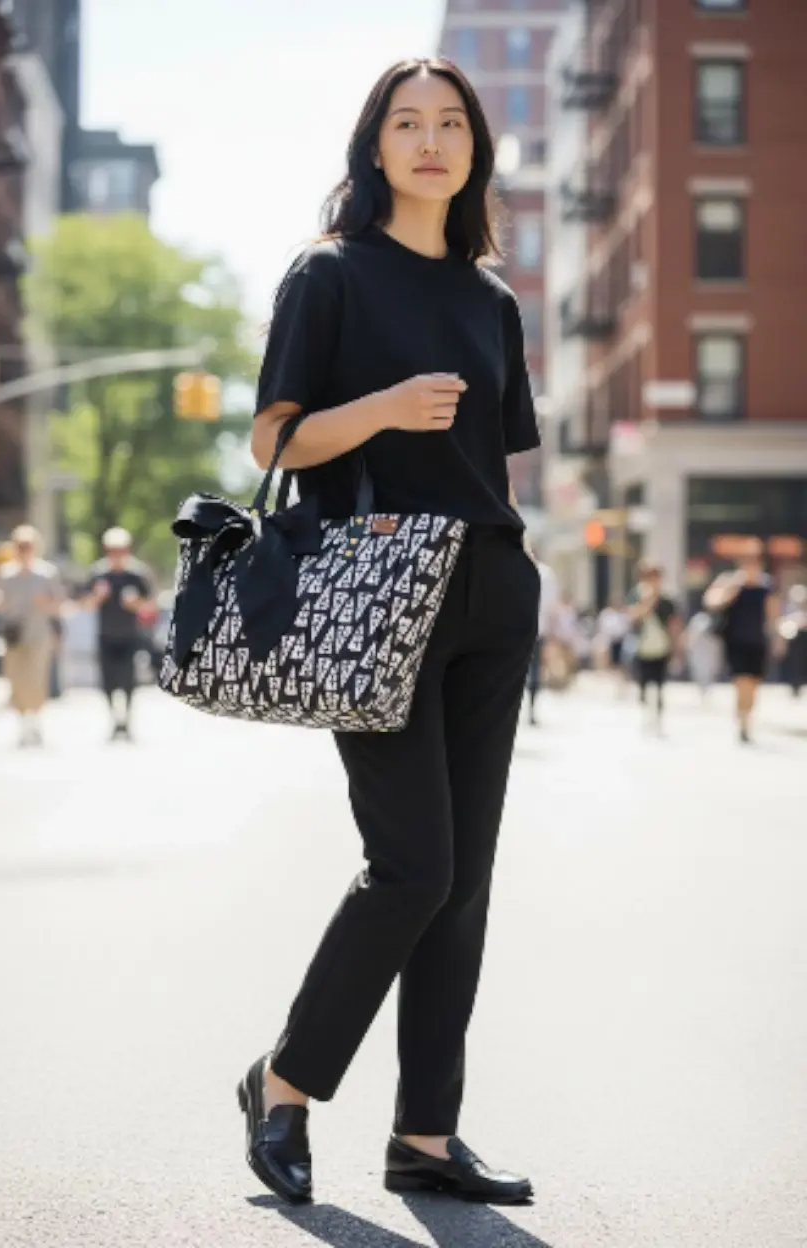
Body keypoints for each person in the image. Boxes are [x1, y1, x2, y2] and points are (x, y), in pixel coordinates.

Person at [235, 58, 540, 1207]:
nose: (428, 141)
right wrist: (379, 410)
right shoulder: (329, 276)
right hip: (372, 586)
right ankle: (285, 1083)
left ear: (473, 150)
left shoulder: (491, 298)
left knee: (463, 881)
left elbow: (488, 458)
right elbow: (272, 441)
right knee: (410, 866)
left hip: (491, 588)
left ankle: (425, 1135)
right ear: (374, 149)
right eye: (405, 123)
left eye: (449, 123)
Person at [0, 525, 63, 746]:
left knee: (37, 678)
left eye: (27, 546)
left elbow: (59, 604)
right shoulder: (5, 573)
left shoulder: (47, 573)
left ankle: (35, 722)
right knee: (15, 679)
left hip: (39, 634)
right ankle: (22, 724)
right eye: (20, 546)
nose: (23, 550)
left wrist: (46, 604)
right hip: (13, 635)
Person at [82, 527, 155, 741]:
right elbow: (85, 604)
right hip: (105, 635)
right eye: (113, 549)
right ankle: (114, 719)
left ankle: (127, 722)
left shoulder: (137, 573)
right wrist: (98, 597)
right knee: (107, 682)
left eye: (121, 549)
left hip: (131, 636)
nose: (117, 553)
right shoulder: (98, 573)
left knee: (129, 681)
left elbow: (151, 605)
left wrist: (135, 604)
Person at [704, 544, 780, 742]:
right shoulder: (729, 581)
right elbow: (711, 602)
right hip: (735, 641)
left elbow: (773, 615)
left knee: (753, 684)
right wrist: (734, 587)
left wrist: (777, 639)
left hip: (757, 641)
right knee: (741, 681)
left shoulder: (766, 586)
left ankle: (747, 715)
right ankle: (742, 722)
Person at [626, 561, 681, 733]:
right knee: (643, 683)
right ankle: (646, 714)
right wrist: (647, 602)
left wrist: (677, 650)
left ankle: (657, 716)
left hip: (661, 648)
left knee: (659, 684)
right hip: (641, 648)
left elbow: (674, 626)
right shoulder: (636, 597)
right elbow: (631, 618)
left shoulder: (667, 601)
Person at [525, 558, 559, 725]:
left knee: (525, 672)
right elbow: (553, 608)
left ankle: (528, 710)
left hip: (520, 631)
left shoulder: (535, 571)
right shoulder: (546, 574)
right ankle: (531, 710)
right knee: (534, 672)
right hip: (539, 631)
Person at [684, 609, 723, 702]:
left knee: (710, 671)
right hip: (699, 650)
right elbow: (692, 634)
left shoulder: (715, 619)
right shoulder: (698, 619)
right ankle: (702, 690)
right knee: (699, 671)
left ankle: (707, 690)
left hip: (710, 650)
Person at [596, 598, 630, 695]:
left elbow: (625, 627)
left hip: (620, 640)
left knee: (620, 663)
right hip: (609, 640)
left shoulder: (622, 614)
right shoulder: (606, 614)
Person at [779, 584, 807, 697]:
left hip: (804, 638)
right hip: (793, 639)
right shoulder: (788, 608)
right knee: (795, 664)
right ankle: (795, 684)